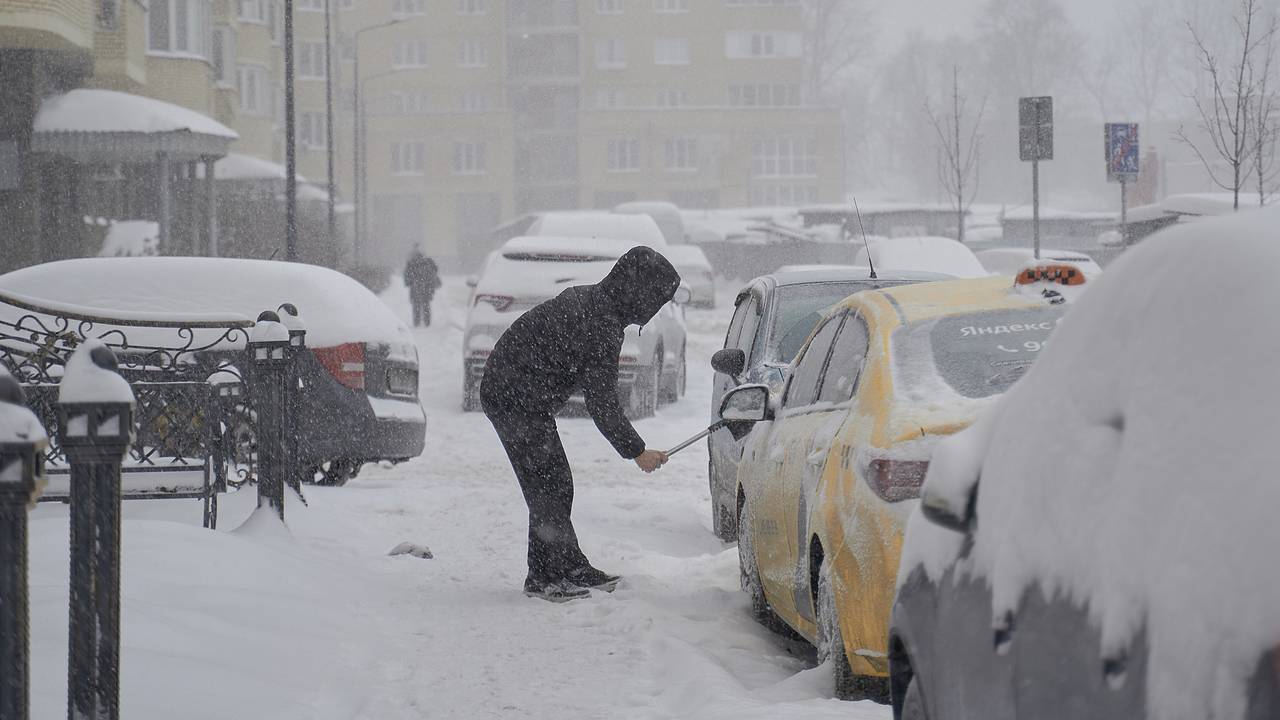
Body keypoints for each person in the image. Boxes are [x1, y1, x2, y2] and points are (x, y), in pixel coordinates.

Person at [481, 246, 680, 602]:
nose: (654, 309)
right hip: (512, 395)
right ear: (639, 293)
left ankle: (568, 566)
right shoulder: (600, 322)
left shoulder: (598, 304)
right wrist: (637, 451)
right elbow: (601, 403)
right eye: (655, 299)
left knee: (555, 483)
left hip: (522, 393)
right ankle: (544, 577)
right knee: (548, 485)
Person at [404, 248, 441, 327]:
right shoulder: (428, 262)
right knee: (426, 305)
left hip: (415, 288)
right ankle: (427, 322)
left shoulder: (411, 263)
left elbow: (407, 276)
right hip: (426, 288)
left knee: (416, 306)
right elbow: (435, 270)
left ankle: (416, 322)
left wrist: (409, 282)